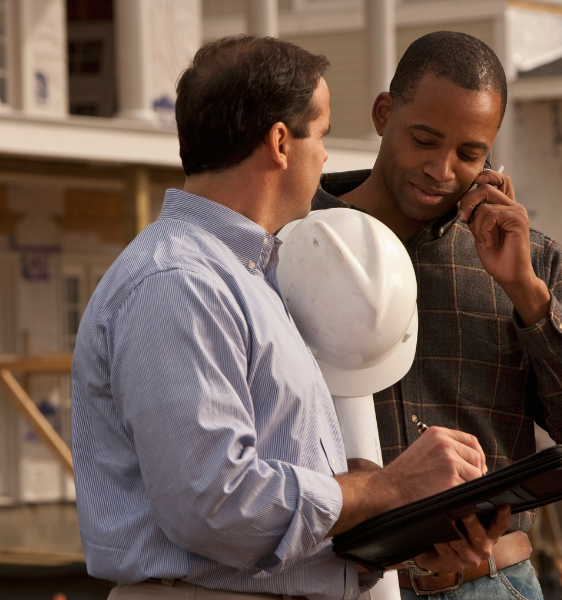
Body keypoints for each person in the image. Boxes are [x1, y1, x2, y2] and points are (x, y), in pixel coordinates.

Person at [71, 35, 509, 600]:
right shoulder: (178, 282)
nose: (325, 157)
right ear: (281, 141)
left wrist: (405, 515)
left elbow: (261, 495)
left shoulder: (242, 276)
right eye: (321, 133)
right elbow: (216, 506)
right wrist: (389, 487)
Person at [312, 31, 562, 599]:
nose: (441, 169)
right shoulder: (299, 244)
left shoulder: (529, 260)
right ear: (383, 114)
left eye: (470, 154)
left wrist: (525, 292)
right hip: (346, 586)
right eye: (424, 139)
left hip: (495, 584)